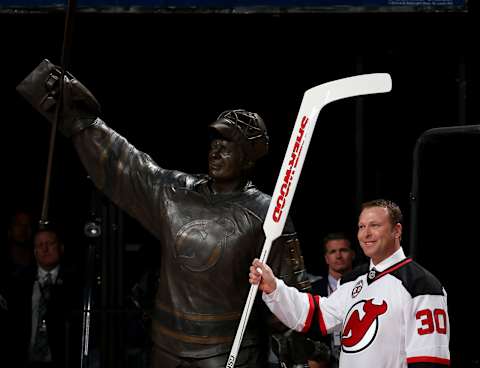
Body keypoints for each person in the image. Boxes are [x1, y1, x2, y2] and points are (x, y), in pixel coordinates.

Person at [17, 59, 310, 367]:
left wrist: (305, 355)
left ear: (248, 158)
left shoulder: (267, 212)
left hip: (231, 352)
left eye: (229, 144)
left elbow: (290, 293)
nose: (216, 149)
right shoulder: (175, 193)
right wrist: (77, 118)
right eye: (215, 141)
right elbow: (125, 164)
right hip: (166, 348)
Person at [249, 199, 450, 367]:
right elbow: (314, 316)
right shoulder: (354, 280)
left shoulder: (421, 285)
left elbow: (429, 360)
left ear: (396, 230)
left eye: (375, 225)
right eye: (362, 226)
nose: (366, 233)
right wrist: (274, 287)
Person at [9, 224, 82, 368]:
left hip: (63, 360)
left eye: (50, 243)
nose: (45, 248)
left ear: (61, 248)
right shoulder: (19, 281)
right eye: (40, 245)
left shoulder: (76, 281)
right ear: (35, 252)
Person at [307, 233, 355, 368]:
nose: (338, 256)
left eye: (343, 250)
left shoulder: (366, 287)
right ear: (326, 258)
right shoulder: (313, 290)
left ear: (352, 254)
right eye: (333, 252)